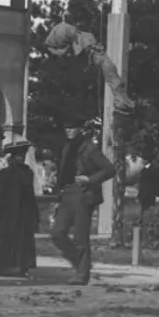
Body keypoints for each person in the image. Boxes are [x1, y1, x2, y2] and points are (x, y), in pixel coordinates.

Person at [49, 115, 116, 286]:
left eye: (72, 127)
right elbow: (63, 176)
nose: (68, 131)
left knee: (80, 236)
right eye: (66, 128)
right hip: (67, 194)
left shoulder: (89, 149)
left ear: (80, 129)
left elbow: (110, 169)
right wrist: (57, 198)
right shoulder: (66, 148)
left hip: (83, 194)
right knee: (57, 233)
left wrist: (90, 179)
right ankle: (81, 265)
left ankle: (82, 274)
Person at [0, 139, 40, 277]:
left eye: (22, 156)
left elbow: (30, 194)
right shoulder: (5, 173)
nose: (20, 158)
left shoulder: (28, 172)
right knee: (4, 238)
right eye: (17, 156)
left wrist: (34, 214)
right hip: (8, 211)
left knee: (24, 240)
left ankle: (23, 267)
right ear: (12, 157)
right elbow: (0, 195)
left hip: (23, 211)